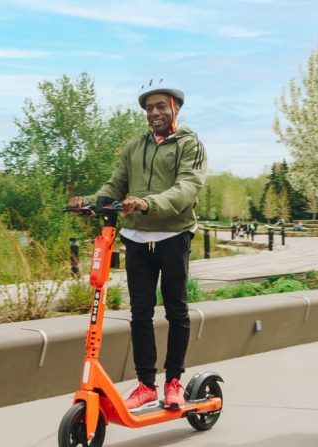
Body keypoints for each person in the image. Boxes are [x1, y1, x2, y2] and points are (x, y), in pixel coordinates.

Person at [68, 78, 207, 411]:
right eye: (149, 108)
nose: (154, 112)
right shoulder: (134, 147)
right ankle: (146, 385)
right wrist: (88, 201)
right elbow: (114, 185)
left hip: (174, 235)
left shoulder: (190, 145)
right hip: (136, 238)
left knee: (176, 310)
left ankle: (173, 381)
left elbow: (188, 187)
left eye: (161, 106)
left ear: (175, 108)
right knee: (140, 313)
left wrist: (147, 203)